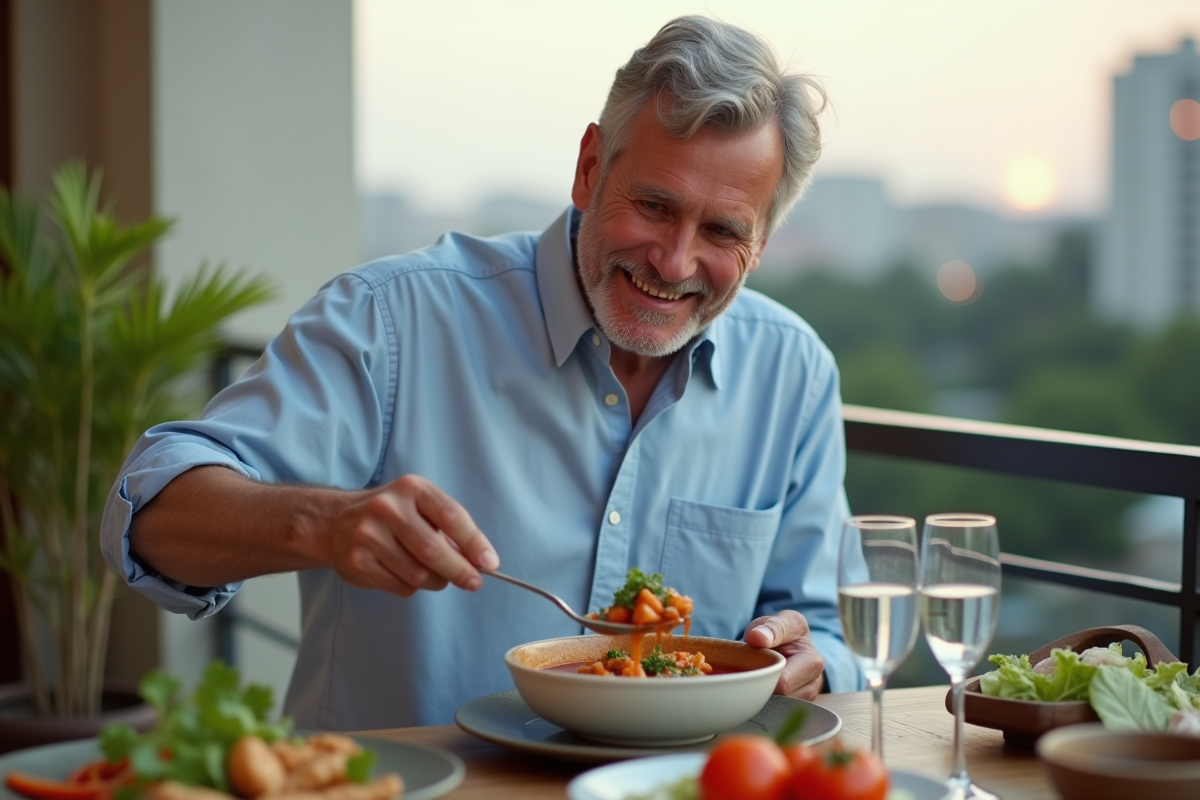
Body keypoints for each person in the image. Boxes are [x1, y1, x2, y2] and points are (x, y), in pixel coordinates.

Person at [100, 15, 862, 730]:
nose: (674, 261)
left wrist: (813, 661)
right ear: (590, 168)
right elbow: (148, 514)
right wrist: (323, 523)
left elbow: (826, 629)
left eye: (722, 230)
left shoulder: (793, 373)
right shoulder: (392, 318)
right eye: (655, 207)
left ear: (761, 244)